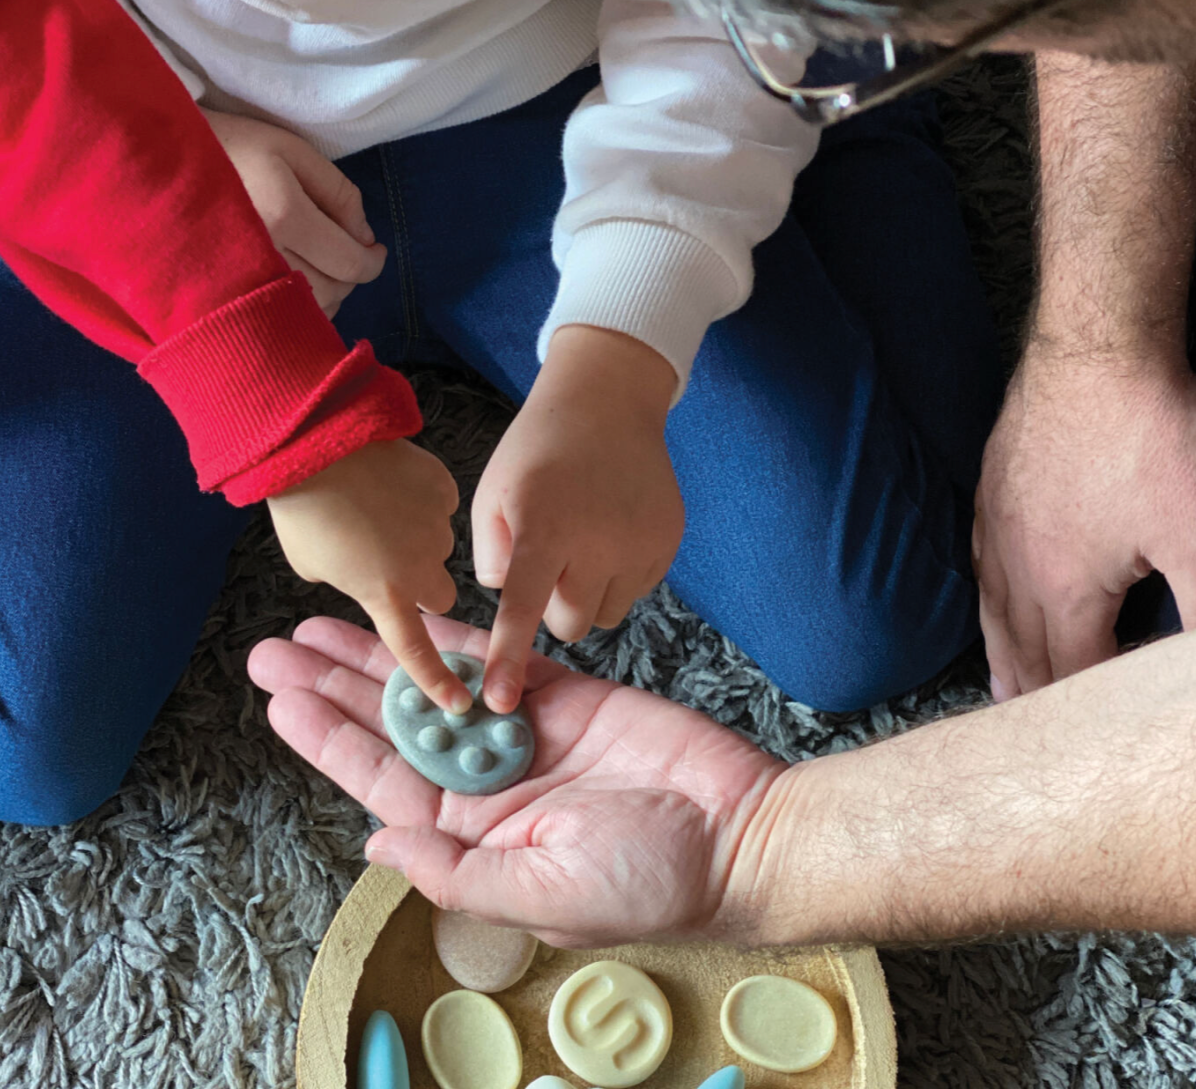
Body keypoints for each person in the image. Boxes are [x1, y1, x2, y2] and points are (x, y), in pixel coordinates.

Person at [248, 0, 1196, 946]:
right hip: (219, 181)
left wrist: (751, 857)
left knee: (863, 617)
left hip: (579, 94)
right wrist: (196, 240)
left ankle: (845, 91)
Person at [0, 0, 1002, 826]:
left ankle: (851, 78)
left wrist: (616, 365)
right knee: (28, 758)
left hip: (559, 100)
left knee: (877, 621)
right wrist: (270, 397)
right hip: (124, 138)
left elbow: (713, 28)